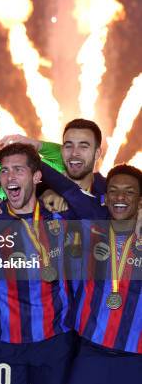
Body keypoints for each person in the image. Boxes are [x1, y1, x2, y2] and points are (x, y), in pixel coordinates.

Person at [0, 143, 102, 384]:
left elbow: (95, 213)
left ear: (37, 176)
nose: (10, 177)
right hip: (8, 343)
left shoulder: (60, 216)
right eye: (5, 170)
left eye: (18, 169)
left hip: (56, 341)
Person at [68, 164, 142, 384]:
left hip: (135, 360)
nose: (120, 196)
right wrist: (50, 192)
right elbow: (68, 190)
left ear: (140, 201)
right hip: (90, 353)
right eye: (113, 190)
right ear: (105, 197)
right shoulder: (88, 231)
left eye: (129, 192)